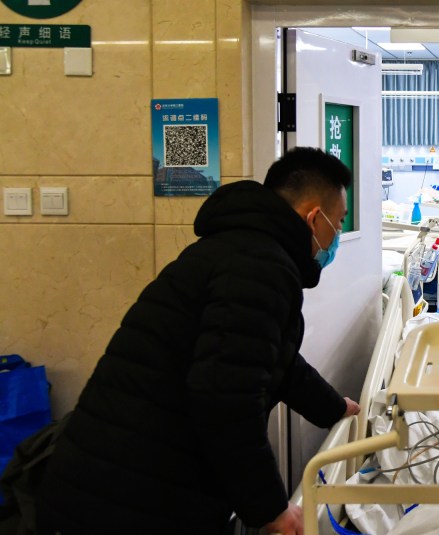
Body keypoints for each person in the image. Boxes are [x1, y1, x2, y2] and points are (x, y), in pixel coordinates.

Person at [36, 147, 362, 535]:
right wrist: (271, 509)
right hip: (128, 494)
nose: (338, 235)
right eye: (339, 222)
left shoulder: (239, 251)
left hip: (118, 475)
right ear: (313, 217)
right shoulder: (259, 268)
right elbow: (226, 399)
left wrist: (333, 407)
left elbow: (272, 361)